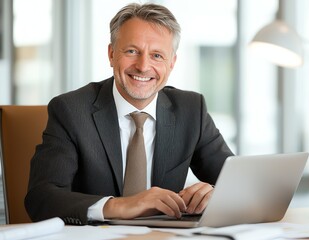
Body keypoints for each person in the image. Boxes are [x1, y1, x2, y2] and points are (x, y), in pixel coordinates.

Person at [24, 2, 233, 225]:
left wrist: (214, 193)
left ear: (172, 63)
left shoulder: (191, 109)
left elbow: (239, 184)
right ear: (112, 54)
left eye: (157, 56)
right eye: (132, 51)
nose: (143, 66)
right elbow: (41, 198)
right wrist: (120, 205)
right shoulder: (71, 110)